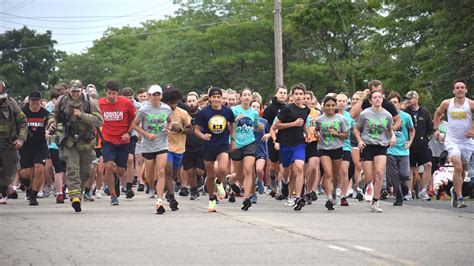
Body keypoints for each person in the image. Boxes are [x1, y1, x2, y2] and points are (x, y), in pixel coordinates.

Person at [47, 80, 103, 212]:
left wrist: (82, 116)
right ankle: (75, 197)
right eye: (73, 91)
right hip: (68, 141)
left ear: (81, 90)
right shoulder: (62, 101)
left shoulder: (90, 102)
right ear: (68, 91)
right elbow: (53, 114)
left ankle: (79, 191)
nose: (75, 94)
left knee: (86, 172)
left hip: (86, 141)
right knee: (72, 168)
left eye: (78, 91)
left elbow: (99, 120)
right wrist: (51, 122)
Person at [132, 85, 173, 214]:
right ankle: (151, 184)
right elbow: (134, 125)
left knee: (161, 171)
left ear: (161, 96)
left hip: (162, 144)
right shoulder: (144, 109)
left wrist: (168, 129)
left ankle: (159, 200)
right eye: (153, 95)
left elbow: (170, 121)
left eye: (158, 94)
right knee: (150, 177)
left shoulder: (166, 108)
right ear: (149, 96)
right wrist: (146, 134)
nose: (155, 97)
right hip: (148, 145)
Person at [433, 79, 474, 208]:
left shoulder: (470, 104)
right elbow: (438, 114)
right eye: (457, 87)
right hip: (452, 140)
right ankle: (461, 197)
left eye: (462, 87)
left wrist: (472, 130)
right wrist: (437, 129)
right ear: (454, 90)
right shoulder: (447, 103)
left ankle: (456, 192)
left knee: (462, 169)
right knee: (457, 167)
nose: (460, 89)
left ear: (466, 90)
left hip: (466, 142)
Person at [353, 90, 395, 213]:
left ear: (382, 99)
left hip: (381, 145)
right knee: (369, 177)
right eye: (375, 97)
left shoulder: (387, 115)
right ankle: (365, 180)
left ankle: (376, 201)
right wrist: (359, 141)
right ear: (370, 100)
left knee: (380, 172)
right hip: (367, 145)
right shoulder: (365, 114)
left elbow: (390, 129)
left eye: (379, 97)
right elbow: (356, 129)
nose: (377, 99)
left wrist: (393, 137)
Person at [194, 87, 235, 212]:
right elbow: (196, 130)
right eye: (214, 97)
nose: (216, 99)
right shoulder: (203, 113)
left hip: (222, 144)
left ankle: (219, 182)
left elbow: (231, 124)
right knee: (210, 175)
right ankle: (212, 199)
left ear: (222, 98)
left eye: (219, 97)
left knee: (223, 169)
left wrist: (233, 140)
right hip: (208, 146)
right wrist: (203, 136)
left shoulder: (227, 111)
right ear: (210, 98)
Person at [97, 80, 136, 206]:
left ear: (117, 93)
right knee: (107, 166)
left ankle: (116, 178)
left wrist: (129, 133)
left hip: (123, 140)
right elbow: (94, 118)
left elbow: (135, 118)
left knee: (120, 171)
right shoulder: (99, 103)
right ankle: (113, 195)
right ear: (105, 92)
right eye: (109, 93)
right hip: (108, 140)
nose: (111, 96)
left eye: (114, 93)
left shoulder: (125, 102)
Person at [274, 83, 310, 211]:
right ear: (292, 95)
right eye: (296, 94)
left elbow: (303, 123)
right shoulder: (287, 109)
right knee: (286, 171)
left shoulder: (306, 109)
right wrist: (293, 124)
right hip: (285, 143)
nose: (299, 96)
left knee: (299, 168)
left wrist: (307, 133)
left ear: (304, 95)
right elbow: (276, 126)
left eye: (301, 94)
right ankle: (284, 183)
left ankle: (297, 197)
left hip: (299, 143)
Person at [229, 88, 262, 210]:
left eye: (249, 95)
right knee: (239, 174)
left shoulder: (254, 112)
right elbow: (228, 127)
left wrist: (261, 127)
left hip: (250, 143)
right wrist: (236, 121)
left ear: (251, 98)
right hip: (236, 143)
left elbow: (256, 126)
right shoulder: (233, 110)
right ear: (240, 97)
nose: (247, 97)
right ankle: (231, 181)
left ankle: (246, 198)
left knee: (249, 170)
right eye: (245, 95)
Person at [315, 95, 349, 210]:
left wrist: (337, 134)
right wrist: (316, 134)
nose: (330, 108)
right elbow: (316, 131)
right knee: (328, 173)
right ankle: (329, 198)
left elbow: (346, 135)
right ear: (323, 107)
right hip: (324, 148)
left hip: (337, 148)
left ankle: (334, 191)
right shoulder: (319, 120)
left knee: (336, 175)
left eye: (333, 105)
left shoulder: (341, 119)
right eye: (328, 105)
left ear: (336, 107)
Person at [19, 91, 49, 206]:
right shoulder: (22, 113)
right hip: (25, 145)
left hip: (40, 145)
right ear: (29, 101)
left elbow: (52, 125)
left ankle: (34, 196)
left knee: (39, 168)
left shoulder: (45, 113)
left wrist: (49, 132)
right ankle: (28, 187)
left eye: (37, 100)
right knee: (25, 174)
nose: (35, 103)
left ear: (41, 101)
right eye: (33, 100)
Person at [162, 88, 191, 209]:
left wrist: (180, 130)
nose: (173, 106)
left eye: (175, 103)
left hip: (179, 147)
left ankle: (167, 188)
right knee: (167, 170)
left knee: (173, 174)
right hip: (165, 146)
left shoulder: (182, 113)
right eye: (170, 103)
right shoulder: (160, 112)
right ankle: (172, 197)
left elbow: (190, 129)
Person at [0, 81, 28, 204]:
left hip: (9, 144)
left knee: (8, 171)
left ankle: (4, 190)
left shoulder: (11, 104)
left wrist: (21, 139)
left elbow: (23, 122)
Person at [403, 90, 434, 201]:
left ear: (416, 99)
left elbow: (431, 128)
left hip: (422, 144)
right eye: (407, 98)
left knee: (428, 164)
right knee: (410, 168)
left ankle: (423, 190)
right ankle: (409, 192)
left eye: (410, 98)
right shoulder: (405, 112)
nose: (408, 100)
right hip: (409, 144)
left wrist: (425, 138)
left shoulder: (424, 112)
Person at [386, 93, 415, 206]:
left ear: (399, 104)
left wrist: (410, 141)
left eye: (395, 102)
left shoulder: (406, 116)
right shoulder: (385, 116)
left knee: (404, 174)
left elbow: (412, 130)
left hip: (403, 149)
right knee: (394, 175)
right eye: (391, 103)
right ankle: (398, 197)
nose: (393, 105)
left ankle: (403, 187)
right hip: (390, 149)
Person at [262, 85, 287, 196]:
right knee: (273, 166)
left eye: (284, 93)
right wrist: (270, 134)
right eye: (280, 92)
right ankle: (272, 178)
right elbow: (266, 125)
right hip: (271, 138)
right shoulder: (270, 109)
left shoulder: (288, 108)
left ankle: (280, 188)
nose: (282, 95)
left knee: (282, 165)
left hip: (285, 139)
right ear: (276, 94)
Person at [182, 92, 205, 200]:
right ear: (186, 102)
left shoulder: (203, 113)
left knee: (199, 171)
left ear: (197, 101)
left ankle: (200, 178)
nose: (191, 103)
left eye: (193, 101)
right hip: (186, 145)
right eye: (189, 101)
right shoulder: (183, 114)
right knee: (189, 171)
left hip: (201, 144)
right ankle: (194, 190)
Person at [336, 93, 354, 207]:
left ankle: (343, 195)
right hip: (332, 146)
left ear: (347, 103)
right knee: (333, 172)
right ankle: (333, 192)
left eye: (344, 101)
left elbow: (354, 130)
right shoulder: (331, 114)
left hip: (346, 146)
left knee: (344, 171)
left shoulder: (349, 116)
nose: (341, 103)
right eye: (339, 101)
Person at [250, 100, 270, 196]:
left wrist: (267, 135)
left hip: (260, 149)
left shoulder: (264, 121)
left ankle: (260, 181)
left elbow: (271, 132)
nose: (255, 108)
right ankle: (253, 195)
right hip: (249, 149)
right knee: (251, 173)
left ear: (260, 109)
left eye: (258, 107)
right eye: (253, 106)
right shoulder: (246, 120)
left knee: (259, 169)